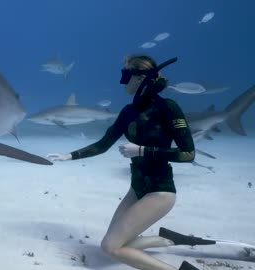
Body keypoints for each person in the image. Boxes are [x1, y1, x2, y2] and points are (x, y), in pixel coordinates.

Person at [48, 55, 198, 270]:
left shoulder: (168, 108)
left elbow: (189, 154)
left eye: (126, 76)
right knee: (114, 244)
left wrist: (142, 150)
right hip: (137, 188)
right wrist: (71, 155)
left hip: (160, 191)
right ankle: (165, 240)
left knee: (111, 248)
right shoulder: (129, 112)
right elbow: (103, 144)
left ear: (139, 78)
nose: (123, 82)